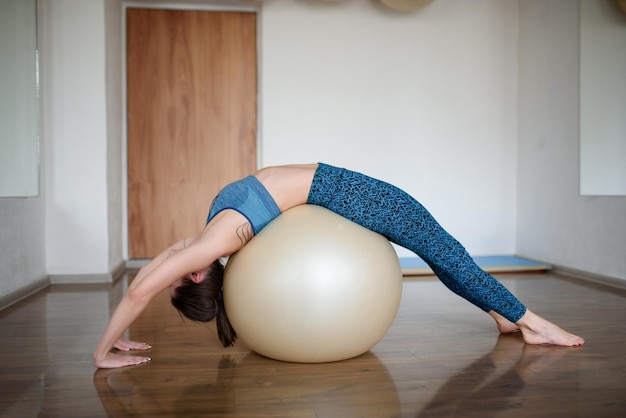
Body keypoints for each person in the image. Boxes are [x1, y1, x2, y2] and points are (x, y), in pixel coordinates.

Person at [93, 163, 584, 368]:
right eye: (176, 274)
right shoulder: (214, 239)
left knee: (443, 252)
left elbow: (144, 283)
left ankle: (499, 312)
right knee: (445, 255)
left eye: (172, 272)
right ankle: (532, 322)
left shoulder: (200, 242)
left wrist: (111, 339)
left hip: (347, 191)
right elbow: (144, 290)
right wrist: (102, 352)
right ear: (198, 274)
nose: (168, 265)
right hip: (353, 197)